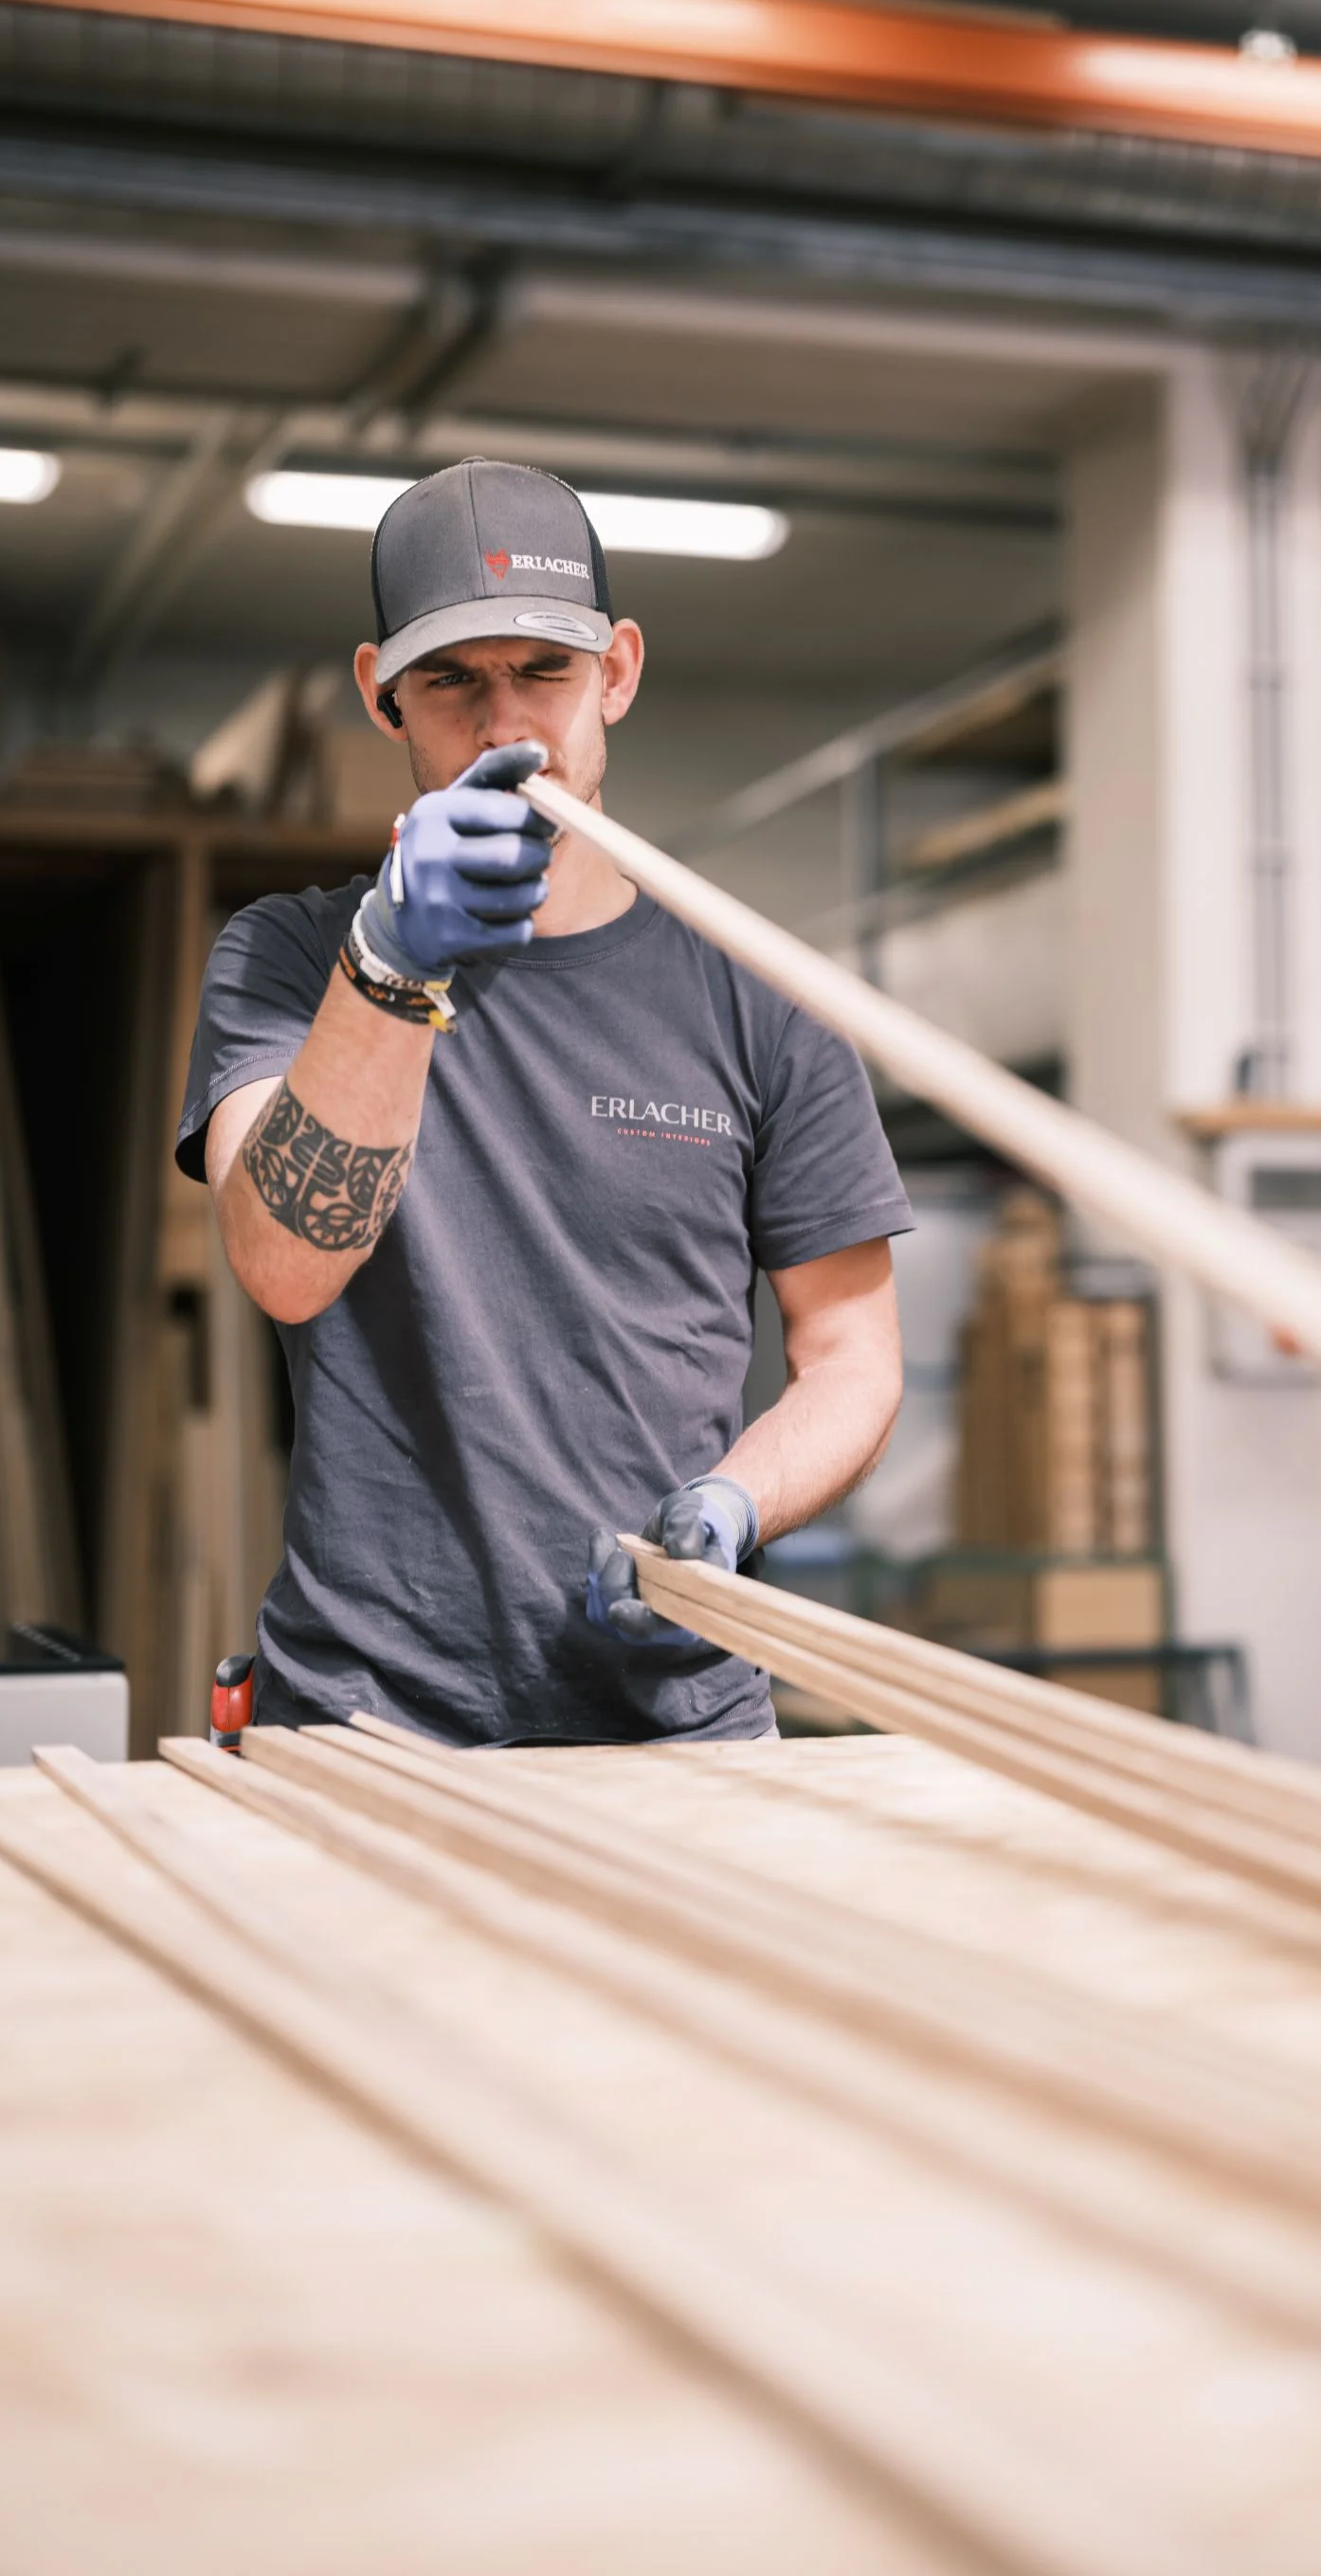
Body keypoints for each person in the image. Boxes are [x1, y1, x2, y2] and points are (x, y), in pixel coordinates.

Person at [176, 459, 912, 1743]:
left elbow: (852, 1357)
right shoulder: (293, 959)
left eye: (545, 670)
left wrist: (734, 1503)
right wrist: (390, 968)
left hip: (673, 1722)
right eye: (452, 680)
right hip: (365, 1725)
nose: (504, 724)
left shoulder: (759, 995)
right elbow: (283, 1264)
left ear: (617, 670)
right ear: (382, 695)